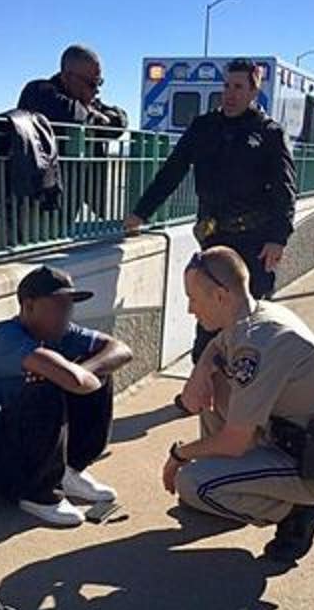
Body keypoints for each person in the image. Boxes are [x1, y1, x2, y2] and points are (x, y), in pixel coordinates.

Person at [121, 59, 296, 410]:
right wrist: (141, 211)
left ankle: (246, 398)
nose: (230, 94)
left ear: (253, 90)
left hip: (255, 244)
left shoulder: (269, 133)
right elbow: (172, 171)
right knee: (206, 318)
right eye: (227, 86)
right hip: (214, 240)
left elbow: (285, 190)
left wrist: (278, 237)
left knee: (250, 321)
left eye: (239, 88)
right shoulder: (204, 127)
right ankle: (200, 392)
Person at [162, 247, 314, 563]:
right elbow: (217, 346)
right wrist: (200, 372)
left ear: (221, 296)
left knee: (192, 482)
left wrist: (178, 455)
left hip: (309, 467)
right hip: (283, 437)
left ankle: (298, 512)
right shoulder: (251, 317)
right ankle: (237, 485)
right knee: (216, 380)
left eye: (193, 299)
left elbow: (234, 442)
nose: (190, 310)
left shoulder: (260, 341)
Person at [0, 265, 133, 526]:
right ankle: (38, 494)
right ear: (29, 305)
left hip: (32, 450)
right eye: (58, 305)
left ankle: (68, 471)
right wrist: (78, 375)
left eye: (69, 305)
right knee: (50, 382)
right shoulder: (4, 337)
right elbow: (74, 381)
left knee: (99, 368)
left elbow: (121, 350)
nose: (67, 314)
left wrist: (85, 370)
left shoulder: (61, 331)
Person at [17, 45, 128, 221]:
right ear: (67, 76)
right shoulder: (39, 91)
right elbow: (70, 115)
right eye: (91, 83)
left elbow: (119, 121)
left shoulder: (87, 101)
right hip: (36, 200)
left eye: (99, 82)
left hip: (68, 200)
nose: (96, 90)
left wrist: (99, 117)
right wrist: (95, 118)